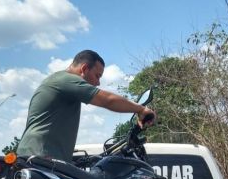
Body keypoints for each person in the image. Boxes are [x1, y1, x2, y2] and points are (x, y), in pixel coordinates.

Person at [16, 49, 156, 162]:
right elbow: (108, 100)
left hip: (33, 156)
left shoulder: (57, 80)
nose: (98, 82)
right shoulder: (66, 80)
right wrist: (141, 109)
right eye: (97, 76)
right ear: (84, 69)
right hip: (41, 157)